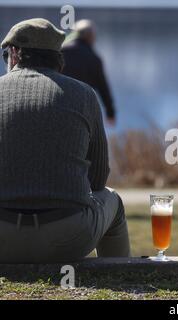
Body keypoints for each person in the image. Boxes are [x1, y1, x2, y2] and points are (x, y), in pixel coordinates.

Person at [0, 18, 130, 263]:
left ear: (15, 53)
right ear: (57, 56)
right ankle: (120, 274)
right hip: (68, 237)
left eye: (5, 54)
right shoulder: (84, 95)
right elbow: (99, 178)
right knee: (113, 200)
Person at [61, 19, 116, 126]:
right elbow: (103, 87)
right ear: (90, 36)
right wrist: (110, 112)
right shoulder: (94, 58)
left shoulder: (61, 52)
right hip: (84, 108)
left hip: (60, 104)